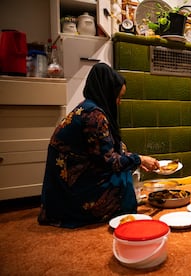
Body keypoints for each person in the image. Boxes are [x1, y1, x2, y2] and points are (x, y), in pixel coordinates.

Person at [38, 63, 160, 228]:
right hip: (72, 191)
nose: (119, 102)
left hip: (61, 186)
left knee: (125, 172)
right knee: (123, 184)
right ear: (107, 92)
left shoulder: (86, 107)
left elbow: (99, 150)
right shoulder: (94, 116)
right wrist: (140, 159)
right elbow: (109, 162)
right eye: (118, 97)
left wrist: (127, 155)